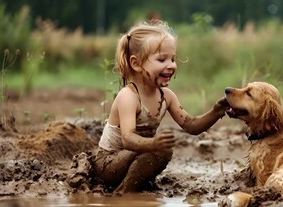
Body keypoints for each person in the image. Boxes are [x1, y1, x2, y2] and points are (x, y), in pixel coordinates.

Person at [93, 21, 229, 194]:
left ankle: (132, 187)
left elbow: (191, 126)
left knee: (162, 150)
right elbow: (127, 139)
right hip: (109, 164)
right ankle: (124, 193)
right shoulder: (129, 96)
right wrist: (153, 143)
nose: (171, 65)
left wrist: (216, 112)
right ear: (136, 64)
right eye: (161, 59)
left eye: (172, 59)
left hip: (134, 159)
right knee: (159, 150)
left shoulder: (167, 96)